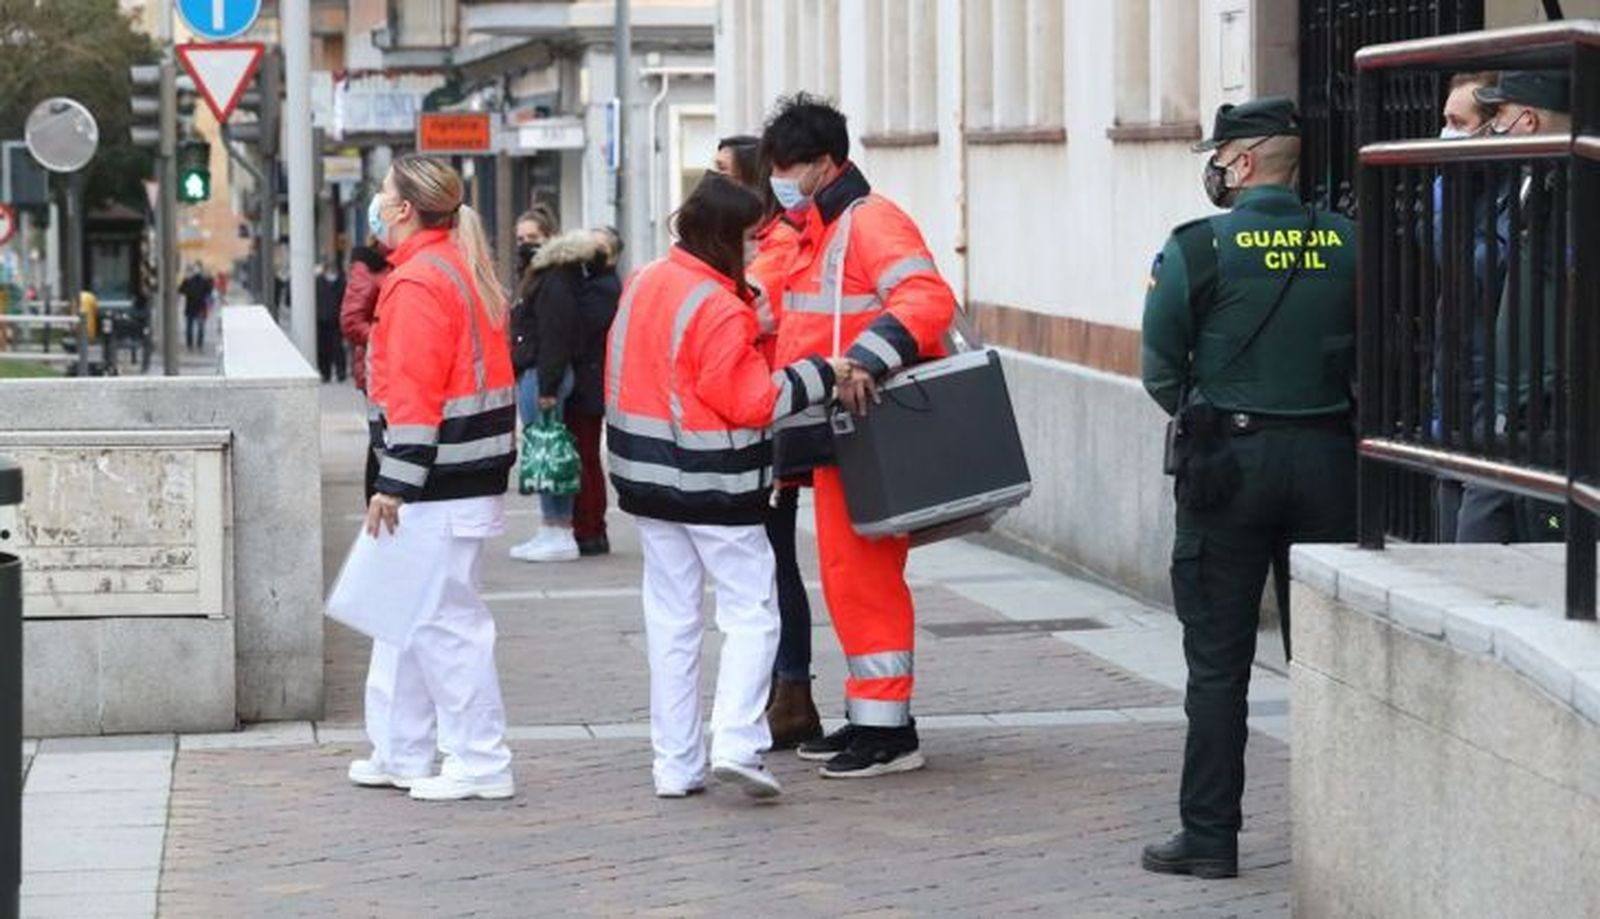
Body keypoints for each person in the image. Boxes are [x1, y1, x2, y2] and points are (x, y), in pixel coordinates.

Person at [1139, 97, 1357, 879]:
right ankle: (1347, 836)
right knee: (1333, 661)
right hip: (1331, 461)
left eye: (1220, 154)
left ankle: (1209, 837)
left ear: (1243, 160)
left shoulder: (1198, 246)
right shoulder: (1348, 242)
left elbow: (1160, 367)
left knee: (1219, 664)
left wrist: (1212, 414)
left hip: (1227, 467)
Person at [606, 172, 847, 799]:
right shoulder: (717, 305)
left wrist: (749, 322)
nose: (752, 251)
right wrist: (819, 374)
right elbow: (751, 400)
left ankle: (675, 764)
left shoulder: (646, 282)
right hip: (716, 485)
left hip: (646, 482)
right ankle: (739, 742)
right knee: (750, 614)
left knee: (672, 621)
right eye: (745, 239)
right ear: (721, 239)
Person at [760, 94, 957, 777]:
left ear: (823, 164)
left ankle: (890, 733)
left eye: (788, 167)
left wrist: (869, 358)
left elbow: (928, 299)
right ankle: (873, 717)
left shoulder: (866, 222)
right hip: (836, 431)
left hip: (865, 428)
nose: (778, 180)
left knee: (866, 577)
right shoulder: (818, 229)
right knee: (849, 577)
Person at [348, 153, 519, 802]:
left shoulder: (419, 280)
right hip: (459, 472)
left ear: (403, 208)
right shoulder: (452, 266)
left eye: (384, 192)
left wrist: (393, 483)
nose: (377, 200)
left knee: (445, 625)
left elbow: (414, 395)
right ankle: (403, 750)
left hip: (437, 478)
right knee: (410, 616)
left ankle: (479, 761)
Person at [714, 131, 822, 748]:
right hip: (756, 417)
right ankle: (786, 692)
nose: (714, 181)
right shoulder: (761, 244)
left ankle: (791, 692)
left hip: (770, 420)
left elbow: (745, 317)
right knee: (770, 561)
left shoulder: (778, 247)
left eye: (724, 172)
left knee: (774, 563)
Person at [1453, 71, 1571, 544]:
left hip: (1550, 408)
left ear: (1528, 120)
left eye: (1497, 116)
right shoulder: (1523, 185)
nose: (1489, 128)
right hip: (1509, 408)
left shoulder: (1573, 189)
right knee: (1475, 545)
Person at [1430, 71, 1500, 541]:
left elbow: (1487, 267)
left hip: (1495, 395)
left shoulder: (1514, 192)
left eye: (1458, 122)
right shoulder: (1460, 193)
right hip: (1455, 389)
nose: (1445, 133)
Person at [508, 214, 593, 564]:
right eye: (520, 237)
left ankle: (559, 531)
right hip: (539, 373)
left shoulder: (555, 276)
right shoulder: (541, 274)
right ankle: (550, 527)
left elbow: (555, 334)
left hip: (544, 375)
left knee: (547, 451)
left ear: (550, 236)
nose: (526, 243)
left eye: (533, 236)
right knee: (544, 449)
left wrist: (547, 385)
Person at [569, 226, 623, 557]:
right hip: (588, 382)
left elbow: (582, 327)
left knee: (586, 457)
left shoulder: (603, 288)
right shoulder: (595, 283)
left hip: (588, 385)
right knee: (585, 456)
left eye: (598, 245)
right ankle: (589, 526)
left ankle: (591, 527)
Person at [340, 243, 391, 500]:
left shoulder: (402, 259)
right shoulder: (368, 266)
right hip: (378, 369)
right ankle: (378, 506)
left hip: (397, 368)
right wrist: (388, 340)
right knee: (380, 444)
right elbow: (351, 321)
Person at [316, 260, 348, 382]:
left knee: (337, 348)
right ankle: (325, 373)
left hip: (336, 321)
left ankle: (341, 372)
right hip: (321, 321)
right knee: (323, 349)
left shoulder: (342, 282)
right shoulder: (318, 281)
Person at [178, 264, 213, 351]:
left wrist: (185, 280)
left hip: (191, 307)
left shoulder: (189, 280)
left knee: (190, 327)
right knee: (199, 327)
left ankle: (191, 345)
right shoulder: (204, 281)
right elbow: (209, 291)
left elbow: (181, 290)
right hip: (200, 307)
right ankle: (198, 344)